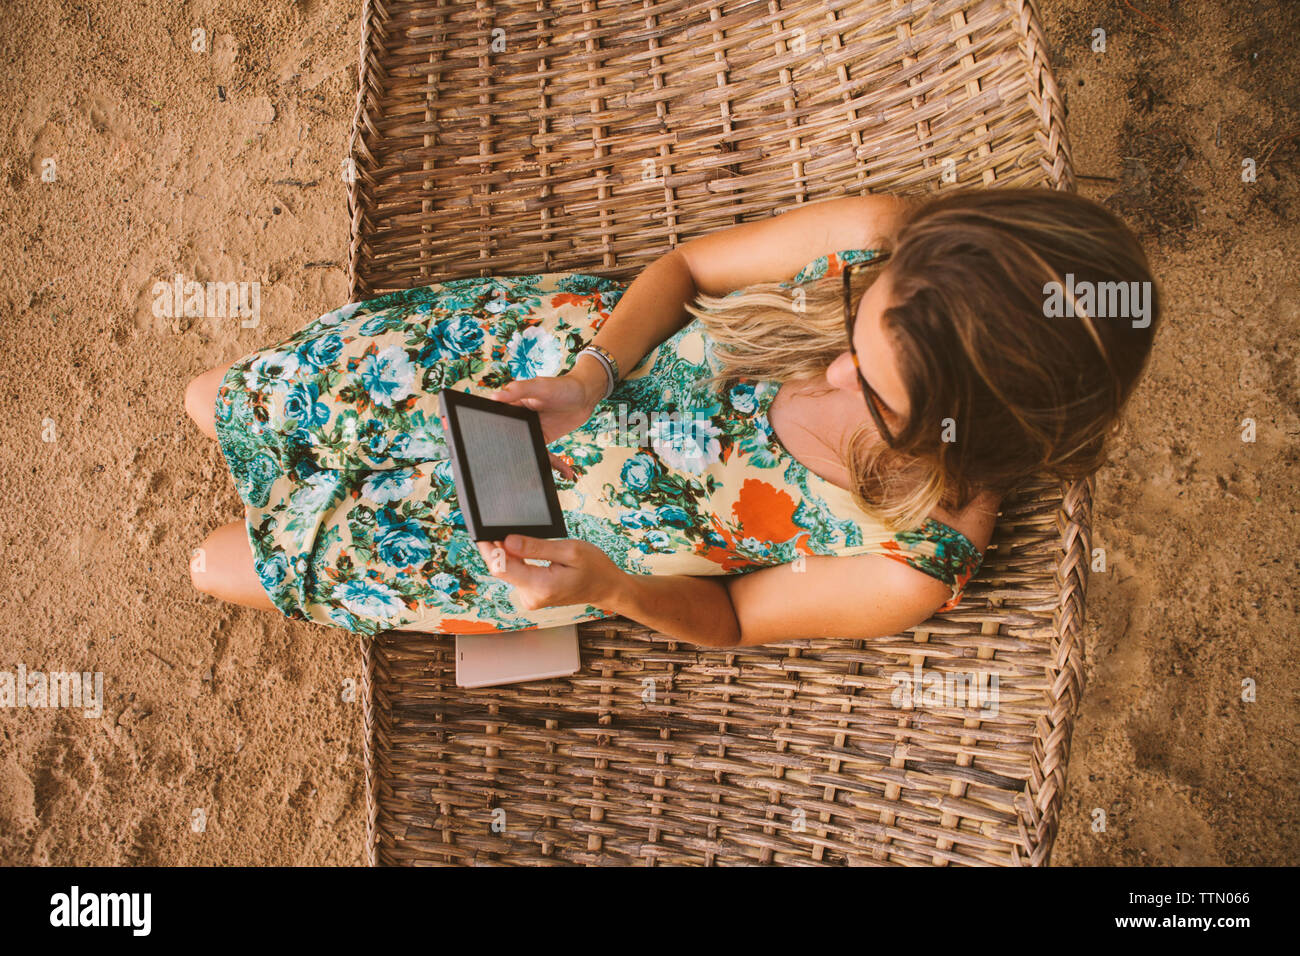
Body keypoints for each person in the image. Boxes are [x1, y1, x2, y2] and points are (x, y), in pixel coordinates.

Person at [183, 188, 1159, 647]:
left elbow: (731, 616)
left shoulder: (913, 555)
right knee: (214, 398)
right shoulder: (882, 237)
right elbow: (688, 269)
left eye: (875, 390)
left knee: (217, 563)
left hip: (545, 537)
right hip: (538, 363)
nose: (834, 362)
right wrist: (591, 379)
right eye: (859, 329)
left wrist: (609, 585)